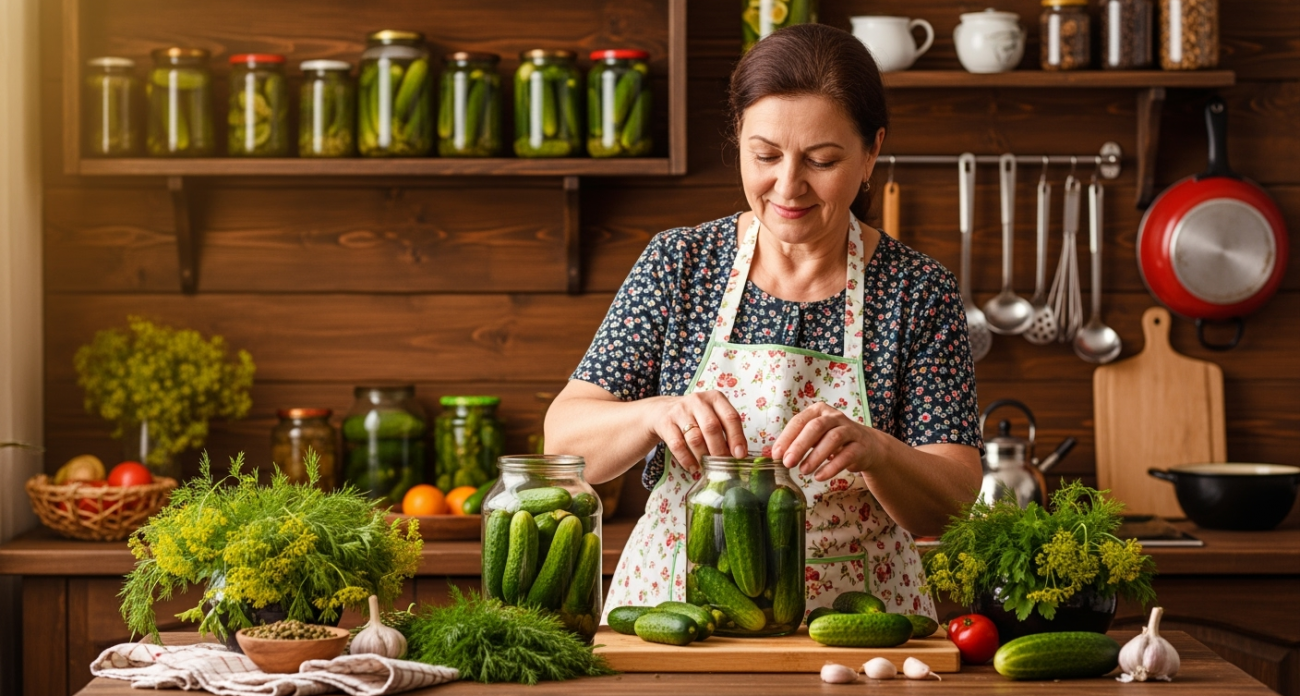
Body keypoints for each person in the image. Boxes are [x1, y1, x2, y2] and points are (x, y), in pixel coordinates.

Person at [545, 24, 983, 620]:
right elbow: (564, 443)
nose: (788, 185)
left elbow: (954, 502)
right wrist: (657, 413)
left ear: (871, 153)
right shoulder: (681, 264)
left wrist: (877, 451)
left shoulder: (916, 289)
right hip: (681, 610)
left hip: (860, 623)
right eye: (766, 155)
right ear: (740, 142)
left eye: (821, 160)